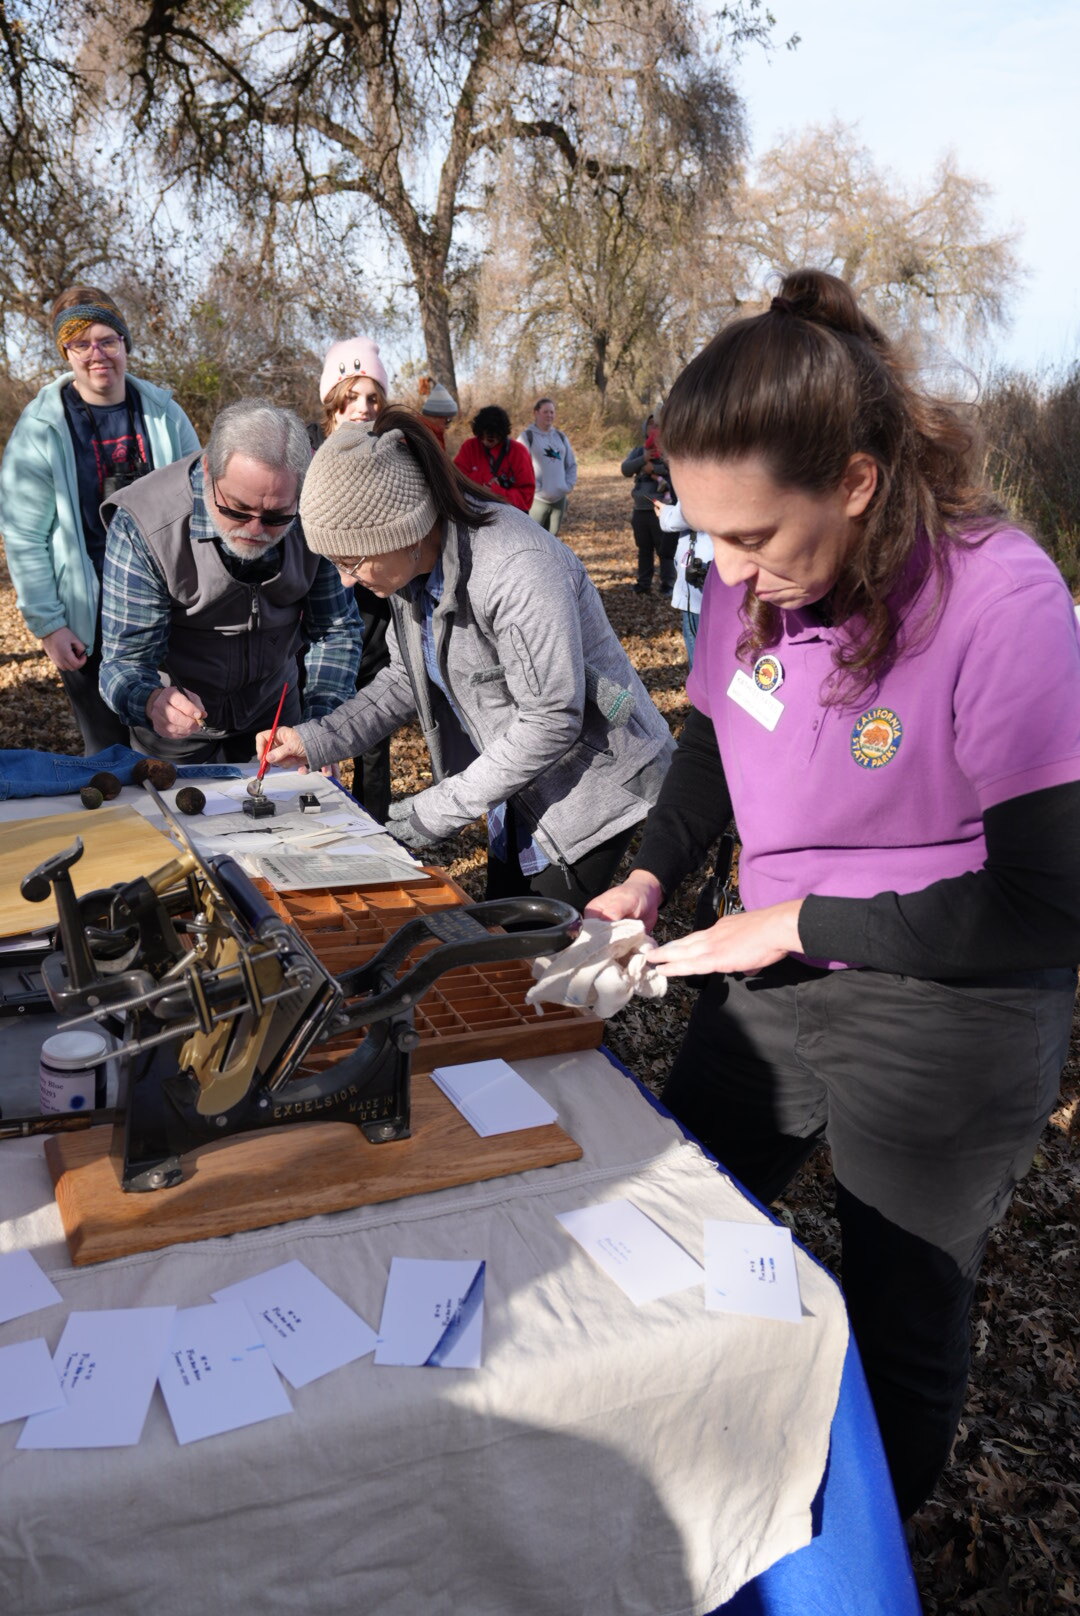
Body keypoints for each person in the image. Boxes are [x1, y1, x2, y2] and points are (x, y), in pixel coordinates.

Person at [586, 268, 1080, 1520]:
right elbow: (710, 743)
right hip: (769, 977)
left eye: (754, 536)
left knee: (898, 1317)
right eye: (707, 536)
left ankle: (866, 1560)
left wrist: (800, 919)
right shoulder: (744, 589)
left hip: (947, 1011)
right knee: (681, 1221)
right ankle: (698, 1485)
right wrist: (652, 867)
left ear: (858, 482)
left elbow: (1048, 902)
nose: (731, 572)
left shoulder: (1000, 597)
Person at [259, 406, 674, 908]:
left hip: (589, 784)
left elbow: (550, 720)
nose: (346, 580)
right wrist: (316, 740)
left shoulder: (516, 567)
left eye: (351, 561)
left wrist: (434, 811)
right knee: (507, 926)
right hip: (517, 778)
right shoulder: (407, 573)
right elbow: (404, 679)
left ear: (400, 532)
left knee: (540, 948)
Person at [98, 397, 362, 762]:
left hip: (277, 717)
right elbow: (124, 662)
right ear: (208, 469)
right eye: (237, 510)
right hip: (175, 727)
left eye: (275, 517)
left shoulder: (314, 510)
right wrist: (150, 700)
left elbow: (335, 629)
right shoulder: (144, 523)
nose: (255, 530)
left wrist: (318, 729)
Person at [0, 285, 200, 755]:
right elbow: (25, 536)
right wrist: (49, 626)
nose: (97, 354)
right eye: (80, 343)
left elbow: (200, 505)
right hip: (86, 624)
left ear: (125, 343)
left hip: (167, 613)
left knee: (171, 748)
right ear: (64, 352)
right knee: (109, 759)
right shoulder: (39, 430)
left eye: (108, 340)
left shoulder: (165, 414)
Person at [314, 337, 394, 821]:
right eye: (351, 397)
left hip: (376, 618)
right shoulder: (306, 460)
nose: (361, 409)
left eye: (372, 398)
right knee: (320, 736)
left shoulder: (392, 457)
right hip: (318, 623)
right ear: (332, 402)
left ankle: (378, 829)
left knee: (372, 734)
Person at [621, 414, 677, 595]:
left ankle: (667, 584)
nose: (654, 427)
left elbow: (676, 471)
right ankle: (643, 583)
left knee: (665, 549)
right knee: (644, 548)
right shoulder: (639, 451)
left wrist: (656, 469)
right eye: (650, 424)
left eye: (657, 424)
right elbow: (625, 469)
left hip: (662, 507)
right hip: (640, 508)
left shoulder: (669, 450)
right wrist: (643, 459)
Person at [453, 406, 535, 513]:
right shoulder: (470, 447)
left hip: (510, 516)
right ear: (479, 432)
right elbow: (455, 480)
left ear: (502, 435)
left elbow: (525, 499)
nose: (488, 441)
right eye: (485, 436)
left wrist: (496, 492)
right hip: (474, 512)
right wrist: (483, 481)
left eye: (494, 438)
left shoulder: (518, 452)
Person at [520, 397, 578, 535]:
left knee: (553, 542)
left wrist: (568, 485)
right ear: (536, 413)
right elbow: (519, 468)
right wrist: (535, 489)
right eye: (545, 412)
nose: (549, 415)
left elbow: (571, 464)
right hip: (536, 501)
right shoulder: (526, 437)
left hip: (559, 500)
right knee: (534, 541)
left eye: (552, 412)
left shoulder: (561, 437)